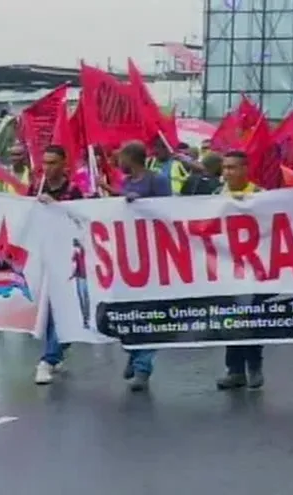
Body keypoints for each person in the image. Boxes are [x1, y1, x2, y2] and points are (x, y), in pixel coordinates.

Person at [108, 141, 172, 391]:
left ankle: (143, 367)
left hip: (154, 255)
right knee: (127, 311)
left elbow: (169, 210)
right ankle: (134, 351)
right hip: (129, 256)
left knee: (149, 314)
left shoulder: (157, 181)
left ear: (130, 157)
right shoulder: (126, 182)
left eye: (120, 158)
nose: (118, 162)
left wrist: (142, 203)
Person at [30, 145, 85, 385]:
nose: (47, 168)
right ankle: (57, 349)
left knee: (65, 308)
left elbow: (80, 220)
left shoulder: (74, 191)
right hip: (42, 255)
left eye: (53, 163)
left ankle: (48, 360)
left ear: (64, 165)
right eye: (45, 162)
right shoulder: (35, 187)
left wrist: (55, 205)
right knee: (48, 310)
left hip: (67, 257)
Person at [215, 150, 266, 390]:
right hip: (227, 268)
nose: (227, 172)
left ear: (245, 170)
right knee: (230, 320)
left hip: (255, 269)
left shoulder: (261, 196)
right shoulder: (215, 196)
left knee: (252, 319)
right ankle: (235, 370)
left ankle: (254, 367)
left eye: (232, 167)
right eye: (225, 168)